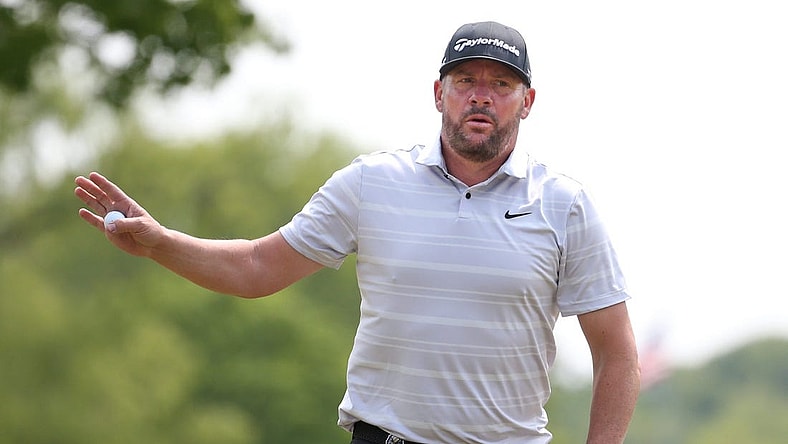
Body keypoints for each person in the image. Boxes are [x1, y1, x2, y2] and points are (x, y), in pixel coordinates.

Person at [75, 21, 640, 444]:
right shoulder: (372, 183)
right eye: (465, 80)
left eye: (501, 84)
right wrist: (161, 243)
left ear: (528, 102)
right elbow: (256, 268)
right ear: (438, 93)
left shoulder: (563, 204)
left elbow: (616, 353)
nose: (481, 95)